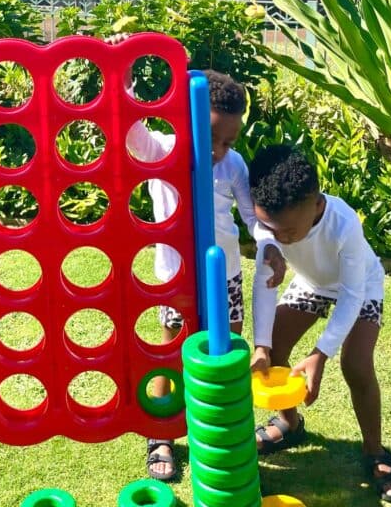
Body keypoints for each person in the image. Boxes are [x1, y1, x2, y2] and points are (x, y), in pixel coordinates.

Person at [123, 62, 285, 482]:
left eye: (229, 140)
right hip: (176, 280)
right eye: (212, 135)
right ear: (187, 115)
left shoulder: (232, 165)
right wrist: (123, 76)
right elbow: (130, 130)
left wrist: (267, 245)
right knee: (171, 351)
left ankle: (223, 429)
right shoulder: (161, 149)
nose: (219, 148)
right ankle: (161, 436)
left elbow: (252, 217)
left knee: (227, 349)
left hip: (226, 274)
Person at [249, 144, 391, 504]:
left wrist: (321, 353)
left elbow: (352, 295)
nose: (279, 236)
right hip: (311, 283)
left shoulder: (343, 222)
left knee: (356, 365)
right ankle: (289, 423)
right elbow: (264, 283)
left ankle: (376, 451)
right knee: (274, 345)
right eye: (268, 226)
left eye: (288, 231)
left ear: (317, 205)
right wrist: (261, 344)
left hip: (360, 286)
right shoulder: (271, 227)